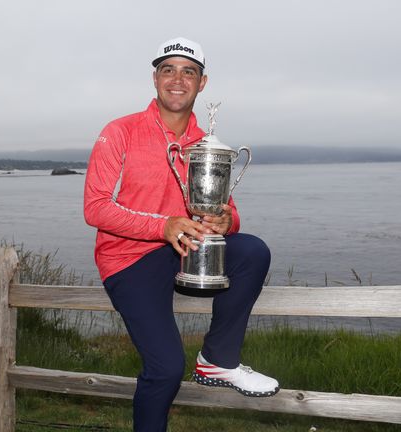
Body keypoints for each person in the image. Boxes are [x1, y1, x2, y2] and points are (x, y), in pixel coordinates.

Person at [83, 37, 279, 431]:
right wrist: (162, 225)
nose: (178, 79)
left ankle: (218, 360)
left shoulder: (206, 145)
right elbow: (96, 207)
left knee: (253, 252)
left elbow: (228, 210)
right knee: (166, 368)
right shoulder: (119, 131)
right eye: (168, 69)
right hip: (128, 261)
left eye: (188, 71)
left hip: (184, 249)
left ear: (202, 83)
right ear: (155, 78)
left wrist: (226, 222)